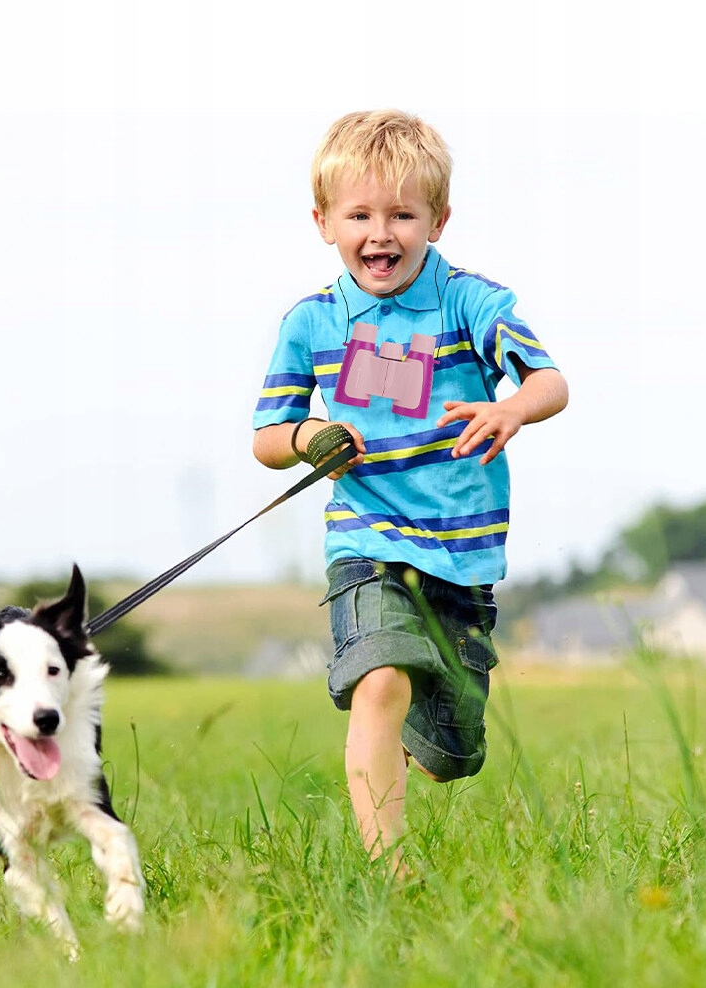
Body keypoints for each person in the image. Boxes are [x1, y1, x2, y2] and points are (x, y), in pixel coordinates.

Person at [251, 110, 568, 872]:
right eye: (360, 214)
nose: (380, 232)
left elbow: (550, 382)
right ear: (324, 222)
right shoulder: (312, 323)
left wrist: (509, 408)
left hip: (461, 555)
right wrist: (311, 439)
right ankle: (390, 873)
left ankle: (426, 741)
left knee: (454, 755)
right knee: (378, 677)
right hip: (365, 538)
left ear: (439, 218)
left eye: (401, 214)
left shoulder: (471, 303)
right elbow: (268, 439)